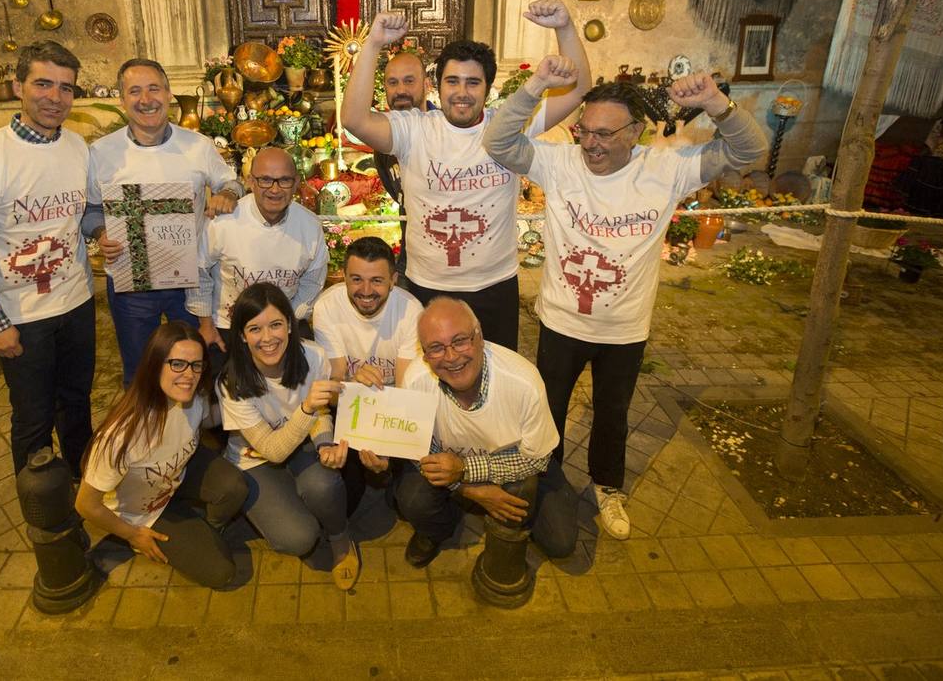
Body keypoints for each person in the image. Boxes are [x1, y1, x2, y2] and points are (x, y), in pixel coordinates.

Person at [484, 74, 767, 540]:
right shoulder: (560, 163)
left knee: (612, 412)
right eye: (585, 131)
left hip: (625, 330)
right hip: (561, 322)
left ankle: (607, 486)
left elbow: (748, 151)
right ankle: (547, 481)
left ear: (635, 132)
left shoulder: (666, 168)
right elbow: (498, 142)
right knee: (549, 409)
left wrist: (715, 102)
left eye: (604, 134)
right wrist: (535, 87)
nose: (590, 144)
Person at [341, 0, 592, 349]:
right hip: (428, 284)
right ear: (436, 85)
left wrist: (564, 27)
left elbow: (579, 90)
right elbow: (354, 119)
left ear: (487, 88)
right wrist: (372, 44)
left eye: (473, 83)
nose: (461, 93)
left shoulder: (508, 125)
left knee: (497, 376)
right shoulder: (414, 129)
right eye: (452, 81)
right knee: (432, 379)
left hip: (494, 285)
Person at [0, 39, 95, 475]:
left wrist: (102, 230)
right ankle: (47, 518)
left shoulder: (77, 147)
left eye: (66, 88)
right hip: (21, 316)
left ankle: (83, 489)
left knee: (77, 405)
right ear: (18, 87)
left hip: (77, 304)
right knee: (33, 419)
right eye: (43, 84)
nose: (55, 97)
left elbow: (80, 216)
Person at [396, 298, 577, 594]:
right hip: (452, 468)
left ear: (479, 337)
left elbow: (538, 460)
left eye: (460, 341)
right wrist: (471, 490)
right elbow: (421, 456)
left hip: (518, 462)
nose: (451, 356)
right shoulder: (416, 381)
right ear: (425, 354)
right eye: (437, 347)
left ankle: (511, 522)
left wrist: (466, 469)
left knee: (561, 542)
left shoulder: (523, 381)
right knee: (411, 498)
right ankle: (441, 527)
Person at [84, 58, 244, 386]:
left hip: (189, 279)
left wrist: (228, 193)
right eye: (135, 91)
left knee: (194, 364)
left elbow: (234, 182)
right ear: (122, 99)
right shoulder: (101, 152)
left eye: (154, 88)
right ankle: (144, 433)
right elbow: (89, 212)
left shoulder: (197, 146)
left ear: (169, 94)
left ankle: (192, 434)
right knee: (139, 369)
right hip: (132, 280)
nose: (146, 99)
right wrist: (101, 233)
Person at [75, 322, 247, 590]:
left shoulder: (194, 397)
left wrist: (250, 404)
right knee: (222, 573)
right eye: (177, 364)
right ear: (155, 364)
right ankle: (127, 539)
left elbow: (207, 421)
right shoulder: (121, 435)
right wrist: (133, 535)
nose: (188, 375)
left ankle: (201, 530)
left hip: (174, 478)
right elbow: (85, 505)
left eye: (196, 365)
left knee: (234, 485)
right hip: (140, 512)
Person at [217, 283, 360, 589]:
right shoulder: (232, 382)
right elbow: (273, 450)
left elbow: (322, 414)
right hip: (255, 459)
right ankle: (273, 508)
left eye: (276, 325)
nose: (268, 338)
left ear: (291, 326)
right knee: (298, 538)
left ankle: (340, 537)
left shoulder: (313, 356)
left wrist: (325, 445)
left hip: (303, 447)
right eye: (255, 328)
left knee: (325, 483)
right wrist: (307, 408)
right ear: (241, 335)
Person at [312, 235, 422, 511]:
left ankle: (390, 475)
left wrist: (384, 446)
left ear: (393, 280)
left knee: (407, 502)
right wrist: (352, 385)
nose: (366, 290)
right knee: (347, 501)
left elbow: (405, 391)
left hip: (396, 407)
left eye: (377, 280)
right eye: (357, 279)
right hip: (350, 405)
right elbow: (334, 390)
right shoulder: (326, 306)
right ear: (344, 277)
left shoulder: (411, 310)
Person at [189, 147, 326, 352]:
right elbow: (198, 270)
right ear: (251, 182)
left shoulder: (310, 226)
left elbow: (312, 282)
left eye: (284, 180)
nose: (274, 189)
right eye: (265, 180)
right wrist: (206, 324)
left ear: (296, 183)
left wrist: (290, 320)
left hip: (283, 326)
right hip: (230, 327)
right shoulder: (224, 221)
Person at [371, 47, 430, 281]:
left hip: (448, 261)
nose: (400, 91)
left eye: (409, 81)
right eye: (392, 83)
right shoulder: (384, 141)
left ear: (426, 84)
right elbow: (398, 194)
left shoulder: (445, 130)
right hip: (410, 257)